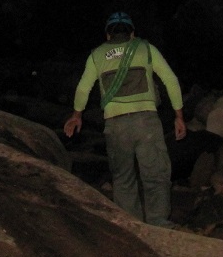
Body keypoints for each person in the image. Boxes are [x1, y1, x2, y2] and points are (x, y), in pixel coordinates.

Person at [64, 12, 186, 227]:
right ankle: (158, 221)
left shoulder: (97, 54)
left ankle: (132, 225)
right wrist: (179, 116)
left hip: (116, 125)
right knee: (156, 174)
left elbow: (84, 87)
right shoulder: (146, 48)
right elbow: (171, 80)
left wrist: (76, 115)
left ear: (108, 35)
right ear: (132, 33)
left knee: (123, 178)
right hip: (146, 122)